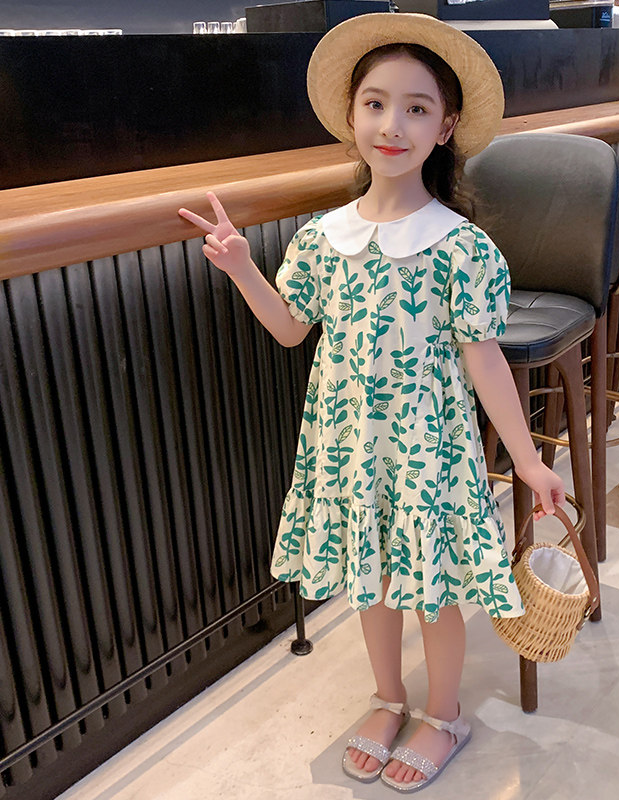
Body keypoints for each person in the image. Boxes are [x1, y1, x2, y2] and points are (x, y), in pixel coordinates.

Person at [178, 12, 565, 793]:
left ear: (445, 127)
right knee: (374, 580)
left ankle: (443, 714)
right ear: (352, 116)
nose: (393, 125)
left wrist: (527, 461)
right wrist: (242, 267)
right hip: (350, 448)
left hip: (430, 452)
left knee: (434, 592)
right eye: (377, 104)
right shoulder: (322, 239)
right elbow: (292, 329)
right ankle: (388, 699)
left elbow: (484, 359)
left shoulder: (460, 246)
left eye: (417, 108)